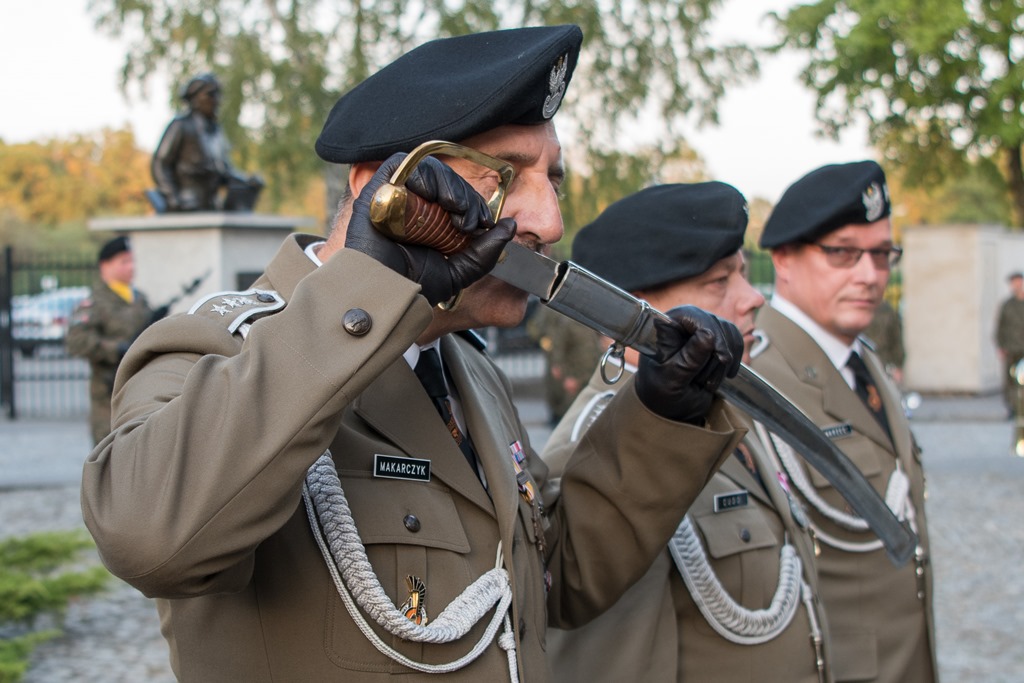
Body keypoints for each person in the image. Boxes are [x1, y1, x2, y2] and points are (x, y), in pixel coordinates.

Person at [81, 26, 746, 682]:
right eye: (505, 177)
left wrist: (659, 418)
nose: (549, 221)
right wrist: (368, 290)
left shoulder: (467, 366)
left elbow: (553, 579)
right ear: (381, 188)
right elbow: (145, 538)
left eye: (555, 180)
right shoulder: (217, 343)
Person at [542, 183, 833, 682]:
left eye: (742, 272)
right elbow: (608, 663)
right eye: (720, 281)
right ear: (630, 313)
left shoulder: (715, 409)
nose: (753, 297)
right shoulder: (598, 448)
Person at [750, 161, 937, 683]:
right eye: (843, 253)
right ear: (783, 258)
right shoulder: (758, 378)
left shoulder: (863, 359)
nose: (870, 275)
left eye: (882, 254)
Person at [66, 236, 158, 445]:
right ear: (105, 266)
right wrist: (117, 349)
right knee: (110, 452)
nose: (131, 267)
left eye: (132, 261)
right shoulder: (94, 303)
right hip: (108, 393)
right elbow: (77, 341)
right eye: (124, 262)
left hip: (140, 388)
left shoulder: (139, 298)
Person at [150, 72, 264, 212]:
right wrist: (171, 196)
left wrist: (247, 180)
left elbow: (225, 171)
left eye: (218, 95)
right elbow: (160, 163)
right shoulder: (181, 126)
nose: (217, 100)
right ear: (195, 98)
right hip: (187, 202)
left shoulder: (216, 131)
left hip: (212, 206)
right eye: (211, 94)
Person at [525, 303, 603, 425]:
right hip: (573, 369)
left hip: (587, 370)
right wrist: (561, 368)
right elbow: (558, 345)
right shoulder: (568, 319)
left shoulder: (587, 317)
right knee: (569, 411)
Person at [995, 271, 1024, 416]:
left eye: (1018, 282)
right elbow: (1000, 326)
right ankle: (1012, 408)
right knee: (1009, 380)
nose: (1016, 285)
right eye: (1013, 283)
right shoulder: (1007, 305)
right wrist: (1000, 346)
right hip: (1010, 348)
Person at [863, 298, 905, 385]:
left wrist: (898, 365)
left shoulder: (887, 311)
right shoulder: (858, 309)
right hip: (867, 361)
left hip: (881, 361)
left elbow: (896, 340)